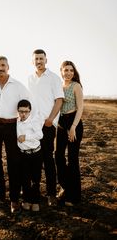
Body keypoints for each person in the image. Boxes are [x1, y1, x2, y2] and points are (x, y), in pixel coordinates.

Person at [0, 56, 30, 214]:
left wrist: (26, 128)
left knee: (14, 162)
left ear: (8, 67)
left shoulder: (18, 86)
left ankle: (14, 199)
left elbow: (29, 107)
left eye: (3, 65)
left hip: (12, 126)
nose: (0, 67)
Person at [28, 49, 64, 206]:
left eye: (41, 59)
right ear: (32, 61)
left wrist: (50, 119)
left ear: (46, 60)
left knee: (48, 159)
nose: (38, 61)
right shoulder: (29, 78)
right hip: (32, 125)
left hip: (47, 125)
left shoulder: (54, 78)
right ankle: (33, 190)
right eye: (36, 59)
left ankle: (51, 194)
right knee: (32, 158)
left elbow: (59, 100)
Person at [55, 61, 83, 206]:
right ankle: (65, 187)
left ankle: (74, 196)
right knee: (58, 155)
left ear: (74, 72)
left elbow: (80, 108)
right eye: (65, 70)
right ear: (61, 71)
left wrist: (73, 127)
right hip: (61, 123)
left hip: (74, 123)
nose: (68, 73)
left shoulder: (76, 86)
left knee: (72, 159)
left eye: (71, 70)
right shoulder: (59, 86)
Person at [17, 99, 43, 212]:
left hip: (36, 153)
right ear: (18, 111)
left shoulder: (34, 121)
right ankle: (26, 200)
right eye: (21, 111)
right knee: (25, 178)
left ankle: (36, 201)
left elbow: (40, 134)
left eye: (26, 111)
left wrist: (25, 137)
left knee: (36, 178)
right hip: (24, 155)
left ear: (30, 111)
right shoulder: (16, 122)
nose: (23, 114)